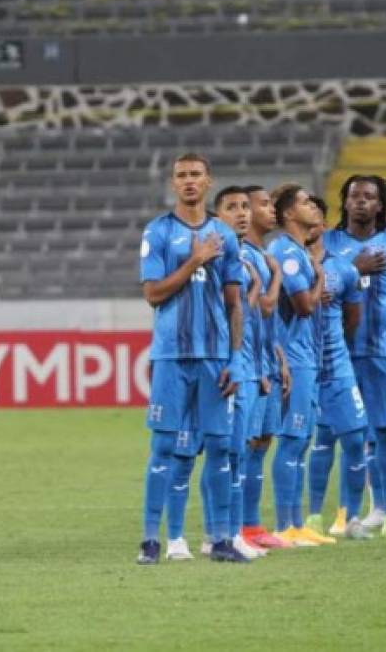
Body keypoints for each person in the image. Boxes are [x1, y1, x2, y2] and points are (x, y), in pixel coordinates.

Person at [137, 153, 245, 565]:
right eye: (181, 175)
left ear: (208, 181)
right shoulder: (159, 232)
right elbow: (153, 294)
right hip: (172, 355)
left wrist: (237, 359)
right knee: (163, 445)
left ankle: (219, 540)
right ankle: (150, 540)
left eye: (195, 175)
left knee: (219, 447)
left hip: (216, 357)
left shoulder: (225, 235)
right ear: (173, 182)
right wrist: (195, 261)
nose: (188, 181)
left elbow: (234, 304)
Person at [164, 186, 266, 561]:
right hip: (203, 362)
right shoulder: (204, 255)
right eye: (232, 208)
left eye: (245, 207)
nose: (242, 213)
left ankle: (225, 534)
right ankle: (185, 537)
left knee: (231, 451)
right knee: (190, 451)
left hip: (238, 364)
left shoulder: (245, 256)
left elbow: (250, 315)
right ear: (215, 216)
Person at [323, 175, 386, 537]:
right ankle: (343, 516)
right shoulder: (328, 242)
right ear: (345, 203)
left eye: (369, 197)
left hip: (382, 353)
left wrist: (379, 324)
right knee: (339, 436)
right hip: (339, 354)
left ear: (381, 205)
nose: (361, 202)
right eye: (354, 196)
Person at [302, 195, 373, 541]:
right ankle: (312, 517)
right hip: (302, 368)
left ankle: (350, 516)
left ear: (325, 227)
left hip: (337, 366)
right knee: (316, 442)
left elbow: (353, 317)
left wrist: (332, 348)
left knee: (356, 439)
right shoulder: (284, 262)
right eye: (306, 217)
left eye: (318, 218)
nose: (312, 224)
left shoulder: (344, 267)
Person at [268, 184, 332, 547]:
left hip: (307, 355)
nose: (313, 207)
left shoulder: (298, 251)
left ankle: (295, 522)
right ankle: (284, 525)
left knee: (302, 440)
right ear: (290, 213)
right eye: (306, 202)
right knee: (292, 441)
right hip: (293, 357)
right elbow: (305, 305)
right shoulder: (286, 252)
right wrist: (320, 276)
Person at [239, 185, 293, 551]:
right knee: (244, 446)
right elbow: (262, 308)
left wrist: (278, 354)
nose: (271, 210)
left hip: (267, 358)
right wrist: (274, 276)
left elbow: (265, 322)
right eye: (263, 204)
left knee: (261, 442)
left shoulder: (258, 252)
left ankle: (253, 525)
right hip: (249, 363)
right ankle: (237, 528)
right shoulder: (244, 254)